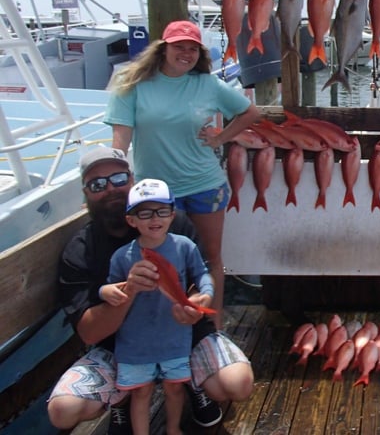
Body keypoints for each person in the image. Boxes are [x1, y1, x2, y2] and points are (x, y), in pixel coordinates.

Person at [48, 147, 254, 435]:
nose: (110, 189)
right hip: (122, 350)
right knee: (62, 411)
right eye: (97, 184)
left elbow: (202, 272)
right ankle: (123, 395)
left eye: (119, 178)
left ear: (132, 179)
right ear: (85, 193)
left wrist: (198, 302)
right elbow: (90, 333)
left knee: (237, 383)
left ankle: (192, 383)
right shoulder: (80, 251)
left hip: (183, 339)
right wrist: (129, 290)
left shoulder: (176, 227)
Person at [105, 20, 261, 324]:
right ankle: (168, 326)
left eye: (192, 48)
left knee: (211, 258)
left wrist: (220, 137)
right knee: (161, 261)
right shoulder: (132, 84)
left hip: (205, 185)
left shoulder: (208, 84)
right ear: (163, 49)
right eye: (179, 47)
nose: (186, 53)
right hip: (156, 193)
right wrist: (116, 181)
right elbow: (120, 142)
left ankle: (212, 326)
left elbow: (250, 112)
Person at [99, 178, 214, 435]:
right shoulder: (122, 256)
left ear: (172, 215)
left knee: (175, 388)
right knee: (141, 392)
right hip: (135, 341)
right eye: (144, 212)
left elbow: (203, 274)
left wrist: (205, 295)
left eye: (162, 210)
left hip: (174, 336)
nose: (155, 218)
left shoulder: (185, 246)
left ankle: (173, 429)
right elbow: (110, 287)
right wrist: (105, 291)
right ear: (132, 220)